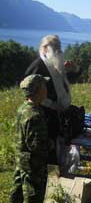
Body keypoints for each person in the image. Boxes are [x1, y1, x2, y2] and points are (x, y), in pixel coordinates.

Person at [25, 35, 80, 164]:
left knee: (57, 145)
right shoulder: (38, 66)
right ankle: (50, 175)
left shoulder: (55, 63)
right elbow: (29, 93)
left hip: (58, 114)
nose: (59, 51)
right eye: (55, 47)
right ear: (44, 49)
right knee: (48, 147)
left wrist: (74, 68)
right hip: (44, 115)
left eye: (60, 46)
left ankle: (57, 172)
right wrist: (52, 105)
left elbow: (70, 80)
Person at [10, 74, 49, 203]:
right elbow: (37, 146)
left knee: (17, 193)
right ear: (38, 91)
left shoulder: (22, 108)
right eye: (44, 86)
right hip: (33, 165)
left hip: (20, 158)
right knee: (33, 195)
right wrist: (53, 144)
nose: (46, 89)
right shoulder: (35, 115)